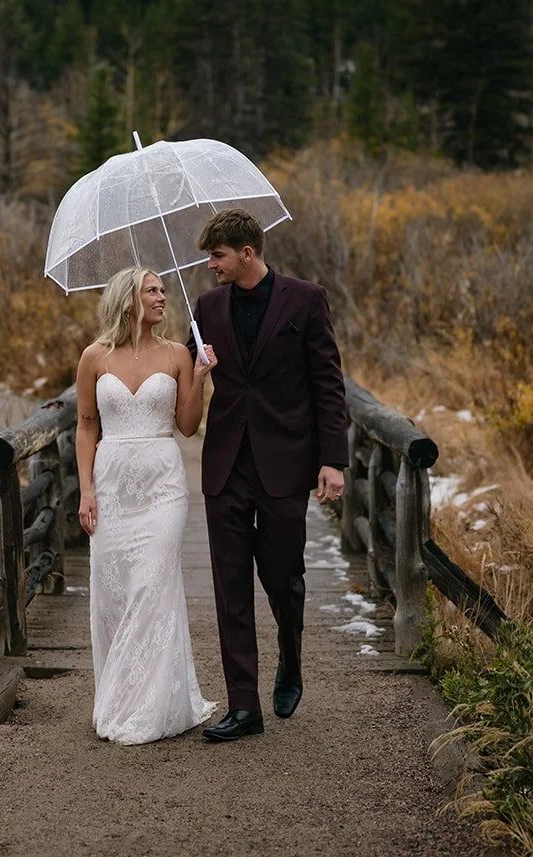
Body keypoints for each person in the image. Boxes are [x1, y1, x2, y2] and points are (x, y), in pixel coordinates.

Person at [188, 208, 349, 743]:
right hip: (226, 465)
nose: (210, 265)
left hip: (286, 462)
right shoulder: (206, 308)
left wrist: (333, 459)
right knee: (230, 587)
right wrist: (194, 369)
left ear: (247, 253)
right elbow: (183, 373)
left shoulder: (306, 299)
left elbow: (328, 384)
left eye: (218, 256)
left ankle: (291, 653)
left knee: (282, 577)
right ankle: (242, 706)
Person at [75, 267, 219, 744]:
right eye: (152, 291)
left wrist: (198, 378)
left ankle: (152, 706)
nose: (162, 297)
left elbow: (186, 425)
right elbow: (86, 426)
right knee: (116, 592)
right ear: (128, 300)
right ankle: (121, 694)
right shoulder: (94, 358)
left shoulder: (179, 353)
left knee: (152, 585)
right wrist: (86, 489)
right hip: (112, 484)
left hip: (162, 485)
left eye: (163, 289)